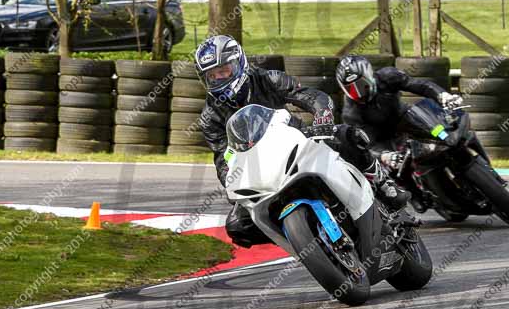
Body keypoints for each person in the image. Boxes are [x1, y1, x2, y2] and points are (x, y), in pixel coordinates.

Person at [196, 35, 409, 247]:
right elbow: (223, 157)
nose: (220, 78)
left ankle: (383, 184)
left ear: (238, 63)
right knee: (238, 227)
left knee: (347, 135)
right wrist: (232, 183)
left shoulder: (267, 79)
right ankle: (305, 239)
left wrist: (322, 115)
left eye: (224, 71)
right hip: (260, 168)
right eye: (212, 76)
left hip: (296, 140)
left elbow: (308, 95)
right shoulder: (210, 117)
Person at [336, 55, 489, 212]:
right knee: (395, 167)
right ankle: (416, 195)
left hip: (405, 118)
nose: (358, 92)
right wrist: (383, 155)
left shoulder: (387, 77)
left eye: (360, 85)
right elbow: (365, 144)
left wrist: (442, 95)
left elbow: (420, 85)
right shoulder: (351, 113)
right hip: (381, 138)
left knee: (441, 131)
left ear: (369, 75)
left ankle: (469, 155)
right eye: (350, 89)